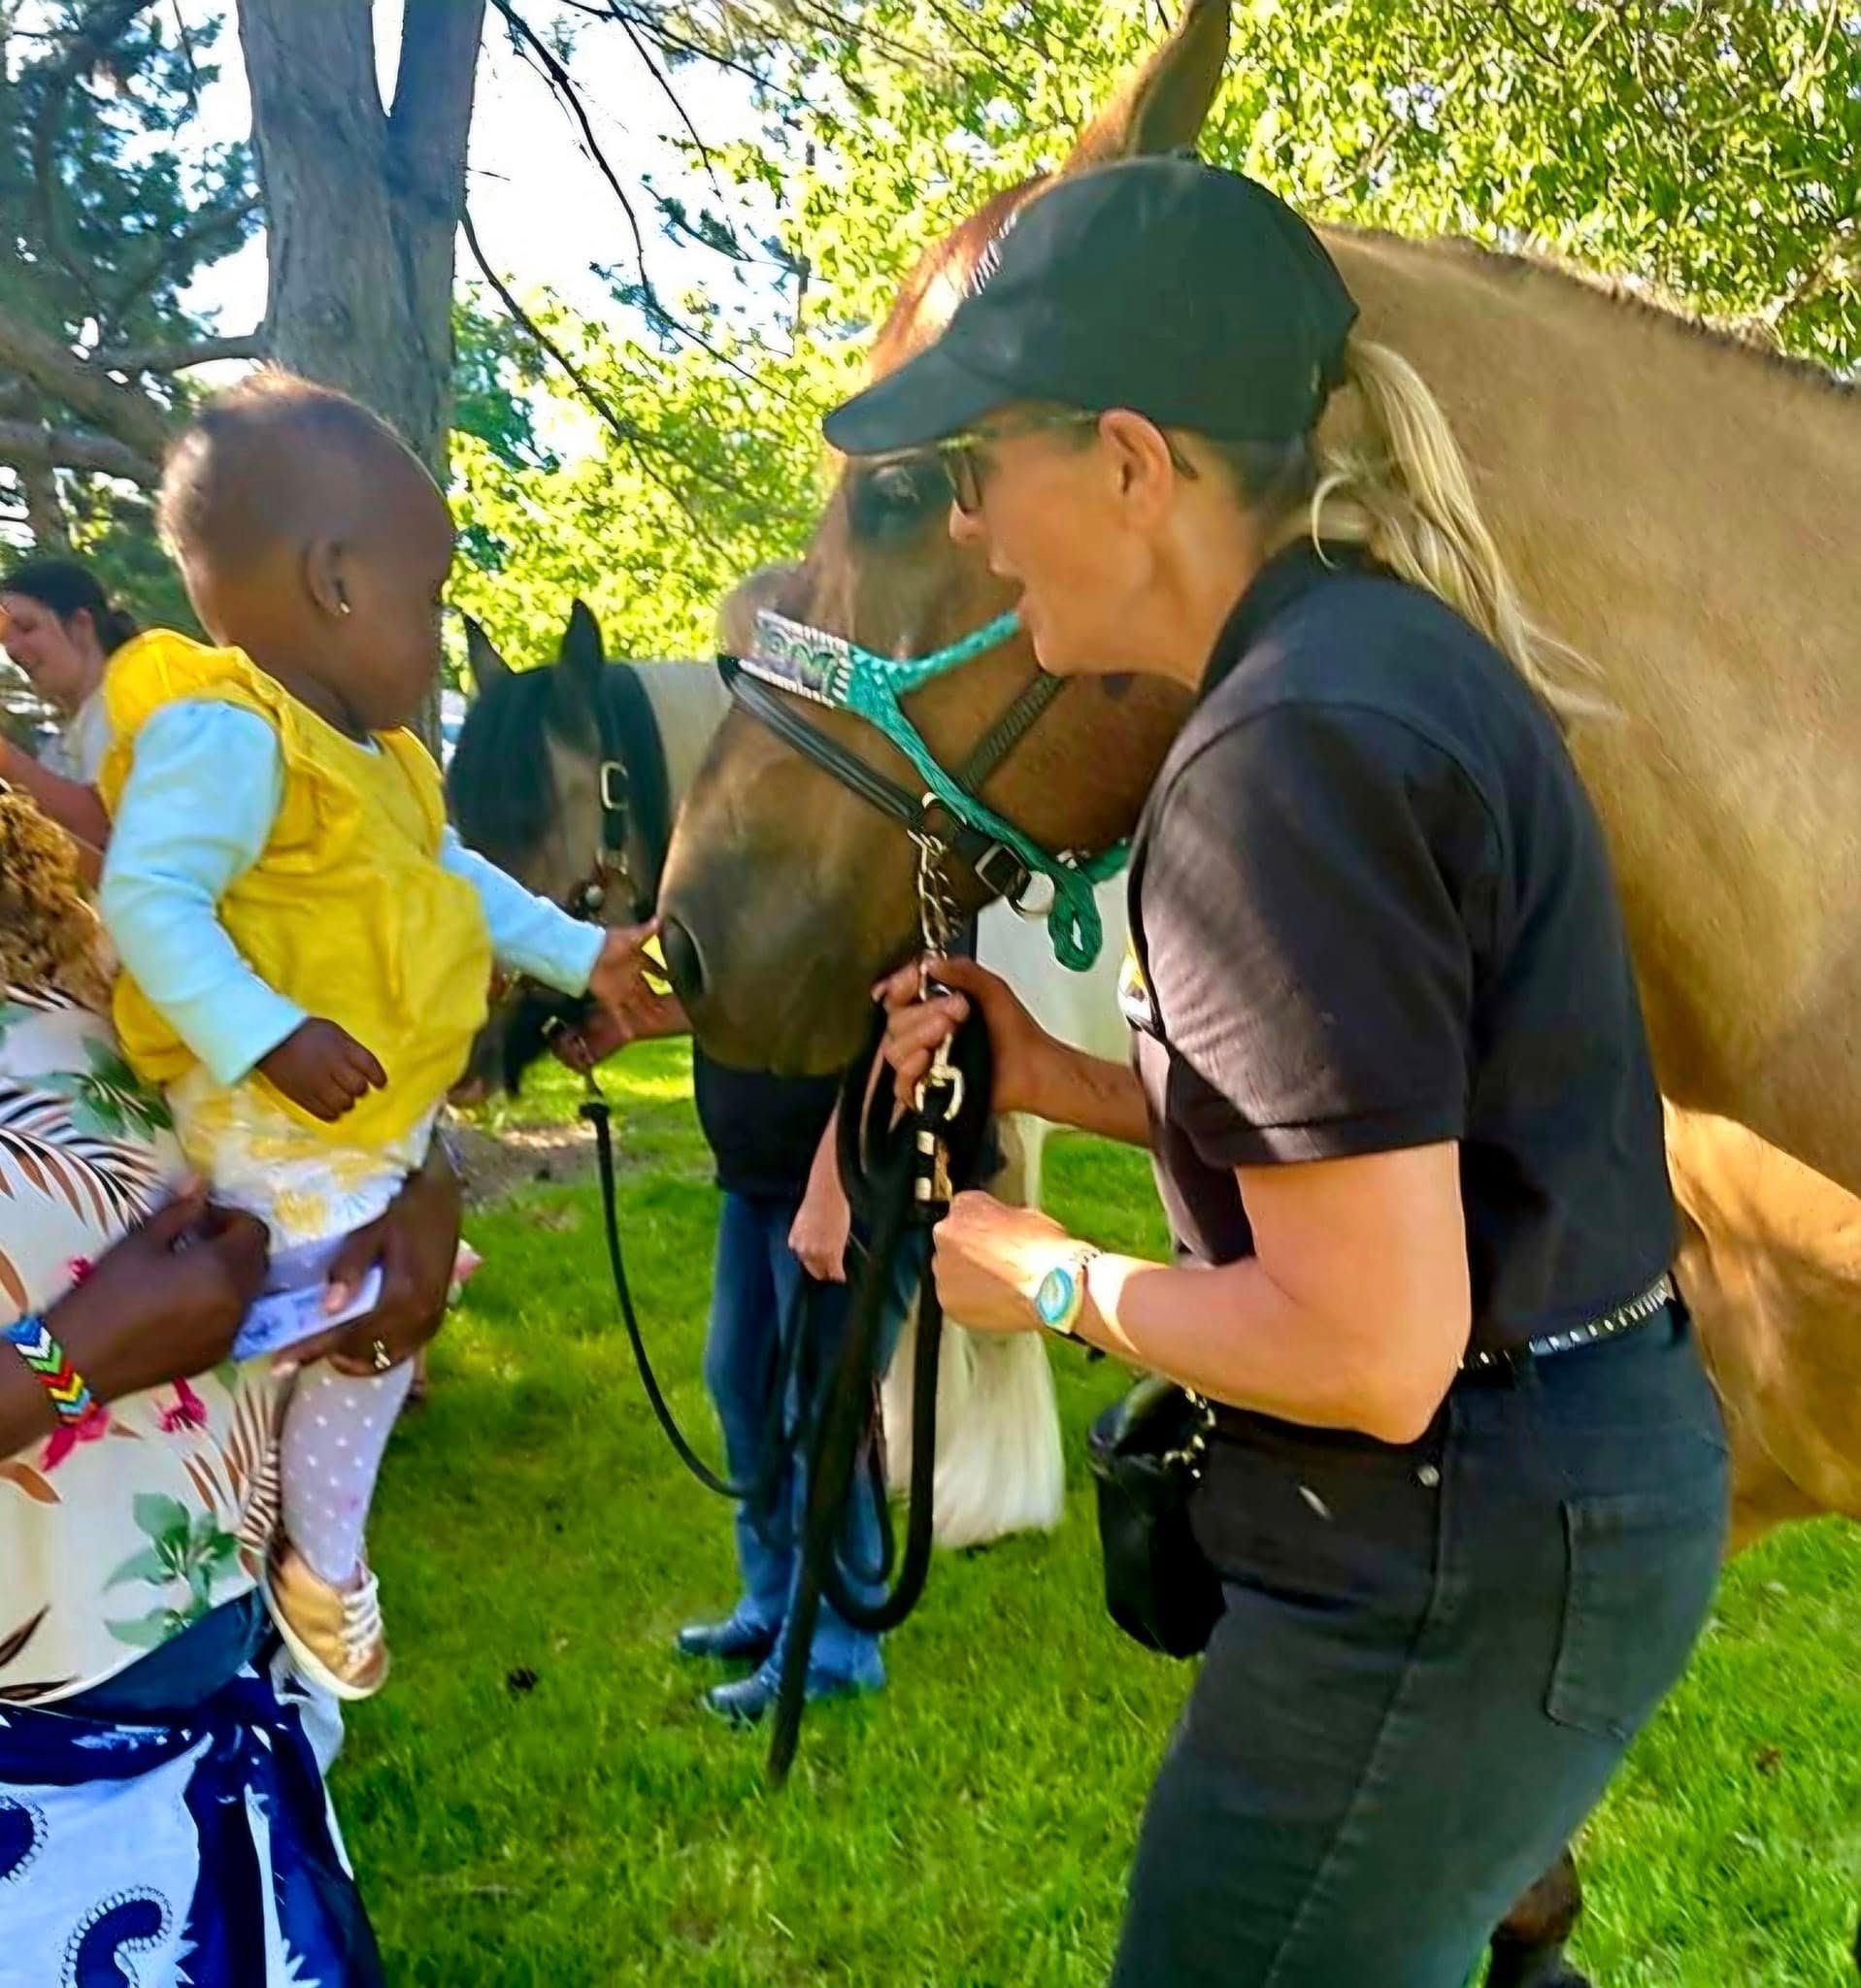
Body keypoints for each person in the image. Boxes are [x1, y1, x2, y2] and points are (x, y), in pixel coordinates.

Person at [846, 155, 1729, 1986]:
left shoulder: (1282, 755)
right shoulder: (1365, 667)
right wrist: (1056, 1075)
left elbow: (1369, 1348)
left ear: (1128, 463)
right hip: (1532, 1505)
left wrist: (1047, 1277)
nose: (977, 532)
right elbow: (1402, 1125)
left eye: (979, 467)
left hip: (1443, 1549)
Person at [92, 370, 663, 1701]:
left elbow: (456, 879)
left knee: (379, 1315)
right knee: (367, 1326)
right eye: (430, 598)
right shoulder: (232, 736)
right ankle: (324, 1559)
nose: (436, 633)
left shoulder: (381, 761)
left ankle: (295, 1549)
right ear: (336, 581)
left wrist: (581, 951)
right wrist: (268, 1031)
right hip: (272, 1129)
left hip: (352, 1130)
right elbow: (150, 896)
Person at [0, 776, 463, 1985]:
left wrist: (422, 1191)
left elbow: (331, 1078)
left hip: (228, 1730)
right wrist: (72, 1357)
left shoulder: (83, 936)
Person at [676, 1055, 890, 1723]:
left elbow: (906, 1019)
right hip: (761, 1164)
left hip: (848, 1165)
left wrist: (835, 1178)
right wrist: (633, 1022)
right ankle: (772, 1604)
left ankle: (835, 1650)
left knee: (824, 1410)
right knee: (741, 1380)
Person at [0, 556, 137, 782]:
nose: (11, 648)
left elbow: (100, 807)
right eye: (4, 637)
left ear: (80, 625)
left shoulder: (135, 713)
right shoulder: (56, 750)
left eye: (26, 628)